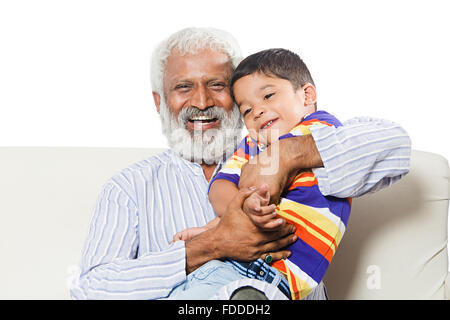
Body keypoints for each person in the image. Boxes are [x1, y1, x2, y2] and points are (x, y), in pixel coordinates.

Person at [69, 27, 411, 300]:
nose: (201, 102)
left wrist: (289, 157)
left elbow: (396, 147)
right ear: (160, 101)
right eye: (183, 87)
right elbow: (90, 290)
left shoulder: (290, 140)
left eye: (216, 85)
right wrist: (209, 245)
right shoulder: (129, 188)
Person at [171, 48, 351, 300]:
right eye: (246, 110)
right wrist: (239, 209)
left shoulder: (324, 131)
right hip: (229, 266)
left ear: (307, 95)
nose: (257, 111)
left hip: (281, 279)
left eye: (268, 95)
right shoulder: (253, 144)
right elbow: (219, 186)